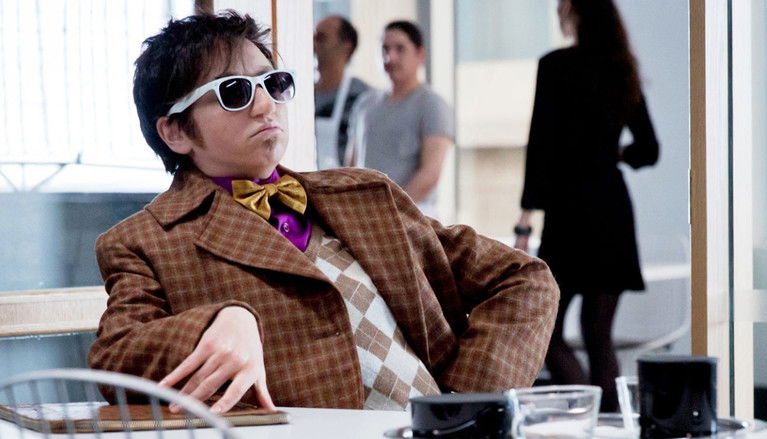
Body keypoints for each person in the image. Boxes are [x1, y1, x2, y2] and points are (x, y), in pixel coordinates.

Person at [88, 11, 559, 413]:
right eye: (234, 91)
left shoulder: (365, 196)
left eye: (273, 83)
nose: (266, 105)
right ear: (175, 132)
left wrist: (467, 405)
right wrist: (216, 323)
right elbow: (115, 360)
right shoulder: (145, 241)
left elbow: (524, 278)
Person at [513, 0, 659, 412]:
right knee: (598, 335)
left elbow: (540, 146)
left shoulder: (555, 65)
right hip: (611, 210)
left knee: (547, 332)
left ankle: (587, 418)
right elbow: (649, 149)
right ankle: (610, 426)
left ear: (575, 10)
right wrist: (614, 153)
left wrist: (525, 220)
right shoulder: (621, 68)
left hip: (569, 213)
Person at [351, 21, 453, 217]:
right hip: (363, 215)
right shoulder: (365, 104)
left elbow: (430, 174)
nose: (390, 57)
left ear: (420, 54)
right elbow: (351, 165)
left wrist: (388, 210)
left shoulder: (432, 104)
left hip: (413, 214)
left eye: (400, 49)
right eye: (385, 49)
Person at [313, 15, 371, 169]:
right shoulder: (302, 94)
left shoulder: (364, 97)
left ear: (347, 47)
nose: (313, 45)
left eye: (321, 38)